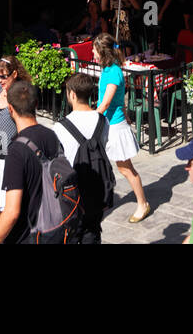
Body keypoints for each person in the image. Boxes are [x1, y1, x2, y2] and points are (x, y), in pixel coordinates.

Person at [0, 79, 61, 244]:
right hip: (53, 228)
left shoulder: (16, 151)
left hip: (28, 235)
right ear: (36, 104)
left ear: (10, 109)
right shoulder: (52, 135)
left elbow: (11, 212)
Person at [93, 33, 151, 223]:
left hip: (114, 126)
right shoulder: (109, 69)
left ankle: (143, 204)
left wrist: (88, 119)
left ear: (102, 52)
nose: (92, 55)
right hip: (110, 123)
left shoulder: (113, 72)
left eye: (94, 51)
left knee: (125, 168)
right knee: (102, 164)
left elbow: (106, 103)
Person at [52, 72, 110, 244]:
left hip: (73, 190)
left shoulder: (60, 127)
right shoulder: (103, 120)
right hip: (97, 186)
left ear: (72, 94)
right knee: (93, 231)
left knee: (72, 233)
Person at [0, 56, 30, 213]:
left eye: (3, 76)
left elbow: (25, 126)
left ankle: (4, 236)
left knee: (6, 205)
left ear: (14, 74)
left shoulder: (21, 95)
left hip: (7, 157)